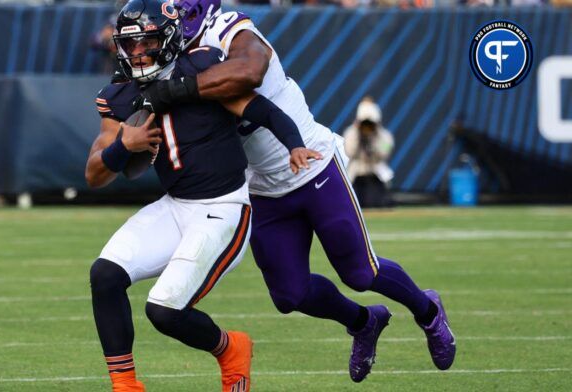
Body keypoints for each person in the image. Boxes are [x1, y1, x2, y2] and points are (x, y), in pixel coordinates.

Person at [140, 0, 456, 383]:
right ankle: (363, 321)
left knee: (359, 272)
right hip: (261, 186)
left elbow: (249, 71)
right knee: (290, 295)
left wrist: (177, 90)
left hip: (311, 164)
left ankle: (428, 311)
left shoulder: (229, 28)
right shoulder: (172, 53)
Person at [85, 1, 319, 391]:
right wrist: (125, 145)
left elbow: (265, 112)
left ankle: (231, 350)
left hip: (223, 209)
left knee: (164, 310)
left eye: (147, 42)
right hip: (175, 206)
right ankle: (125, 386)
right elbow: (95, 174)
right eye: (130, 45)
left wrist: (294, 145)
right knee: (104, 275)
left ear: (170, 37)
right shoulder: (120, 94)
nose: (139, 53)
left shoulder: (202, 68)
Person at [342, 97, 395, 208]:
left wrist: (374, 138)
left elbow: (385, 153)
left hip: (375, 174)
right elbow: (349, 152)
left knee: (379, 204)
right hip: (356, 174)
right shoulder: (351, 133)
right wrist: (358, 135)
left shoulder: (384, 135)